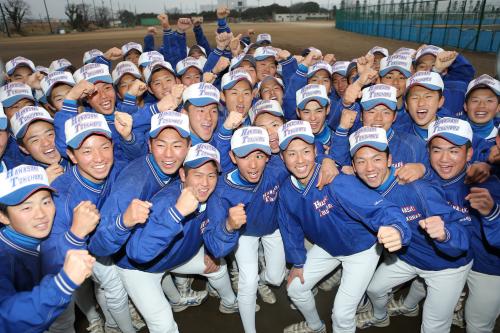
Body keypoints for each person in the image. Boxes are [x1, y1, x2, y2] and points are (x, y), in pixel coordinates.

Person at [277, 120, 411, 333]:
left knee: (341, 315)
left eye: (306, 151)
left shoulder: (336, 181)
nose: (300, 159)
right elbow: (289, 227)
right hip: (329, 247)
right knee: (295, 288)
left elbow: (381, 208)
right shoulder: (286, 191)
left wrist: (397, 228)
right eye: (292, 153)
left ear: (315, 151)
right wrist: (298, 261)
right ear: (282, 157)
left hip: (361, 251)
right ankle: (316, 326)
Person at [0, 165, 95, 333]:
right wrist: (62, 285)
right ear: (3, 216)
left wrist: (75, 235)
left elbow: (48, 260)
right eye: (26, 207)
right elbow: (5, 319)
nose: (41, 214)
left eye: (46, 202)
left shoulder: (39, 232)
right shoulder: (4, 256)